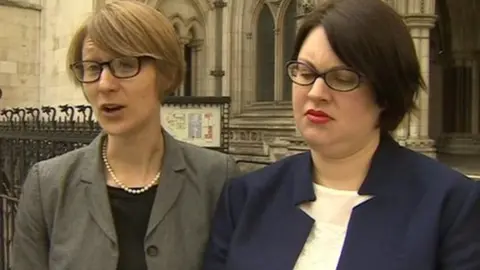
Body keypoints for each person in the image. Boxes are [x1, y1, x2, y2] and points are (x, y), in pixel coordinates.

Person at [202, 0, 480, 269]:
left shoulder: (452, 207)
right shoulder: (246, 197)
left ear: (386, 91)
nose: (315, 93)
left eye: (343, 78)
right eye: (305, 73)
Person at [12, 1, 239, 270]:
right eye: (93, 68)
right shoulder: (47, 185)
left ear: (166, 74)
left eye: (125, 64)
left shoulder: (217, 178)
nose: (105, 84)